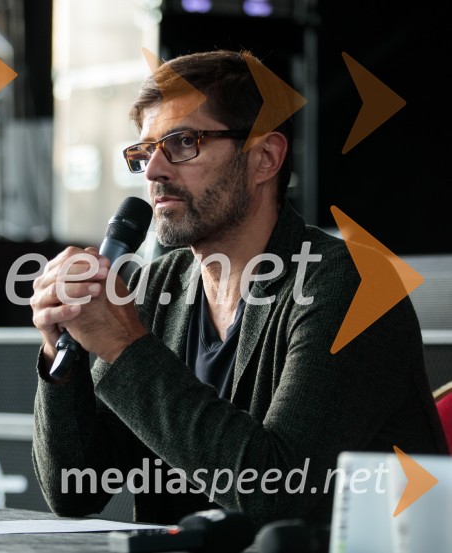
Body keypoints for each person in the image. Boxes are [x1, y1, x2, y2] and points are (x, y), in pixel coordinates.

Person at [29, 50, 446, 527]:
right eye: (144, 152)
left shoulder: (350, 285)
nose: (154, 170)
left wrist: (125, 347)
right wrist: (59, 358)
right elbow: (74, 492)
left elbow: (276, 489)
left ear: (264, 158)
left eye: (183, 142)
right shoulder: (155, 288)